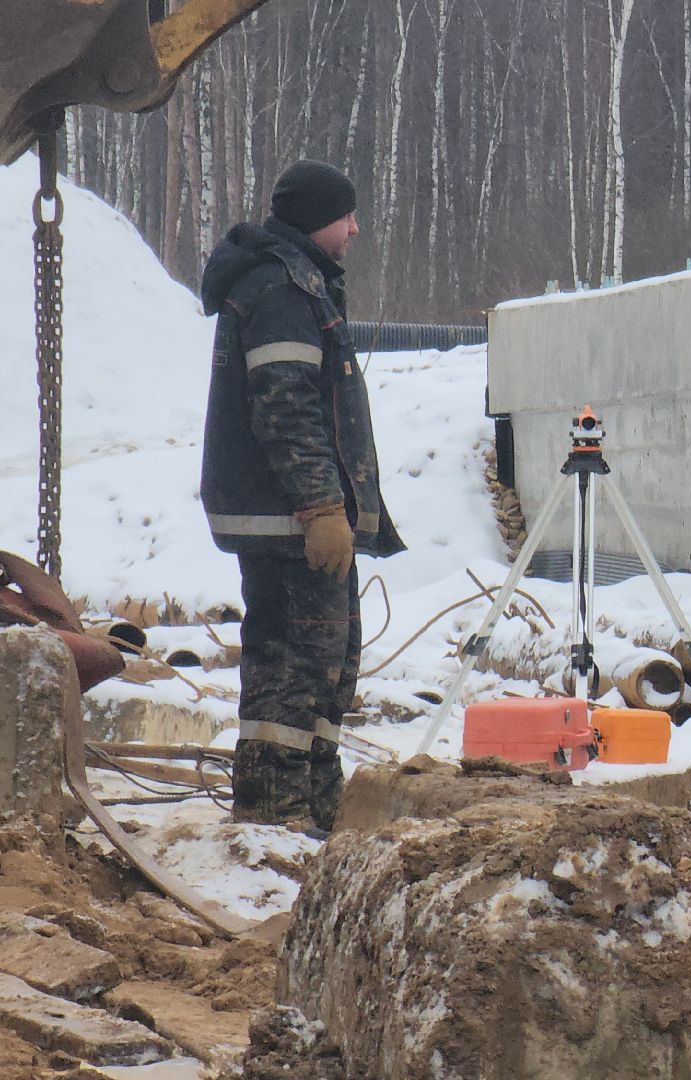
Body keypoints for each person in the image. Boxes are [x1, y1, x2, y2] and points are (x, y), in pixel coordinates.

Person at [198, 160, 404, 831]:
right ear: (320, 218)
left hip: (293, 522)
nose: (355, 228)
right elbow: (285, 406)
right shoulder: (284, 288)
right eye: (347, 215)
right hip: (291, 525)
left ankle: (311, 821)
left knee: (325, 673)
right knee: (299, 676)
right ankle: (282, 825)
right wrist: (320, 508)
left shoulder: (296, 282)